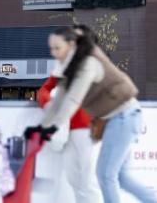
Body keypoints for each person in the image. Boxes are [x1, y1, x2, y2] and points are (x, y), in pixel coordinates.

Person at [36, 25, 157, 203]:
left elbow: (72, 100)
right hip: (111, 121)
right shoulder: (68, 67)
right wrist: (48, 115)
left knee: (103, 176)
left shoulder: (89, 63)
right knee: (118, 178)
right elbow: (51, 93)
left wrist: (53, 124)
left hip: (107, 123)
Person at [37, 30, 100, 203]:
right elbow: (43, 91)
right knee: (75, 182)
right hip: (69, 132)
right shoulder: (63, 67)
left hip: (91, 131)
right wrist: (48, 104)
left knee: (89, 183)